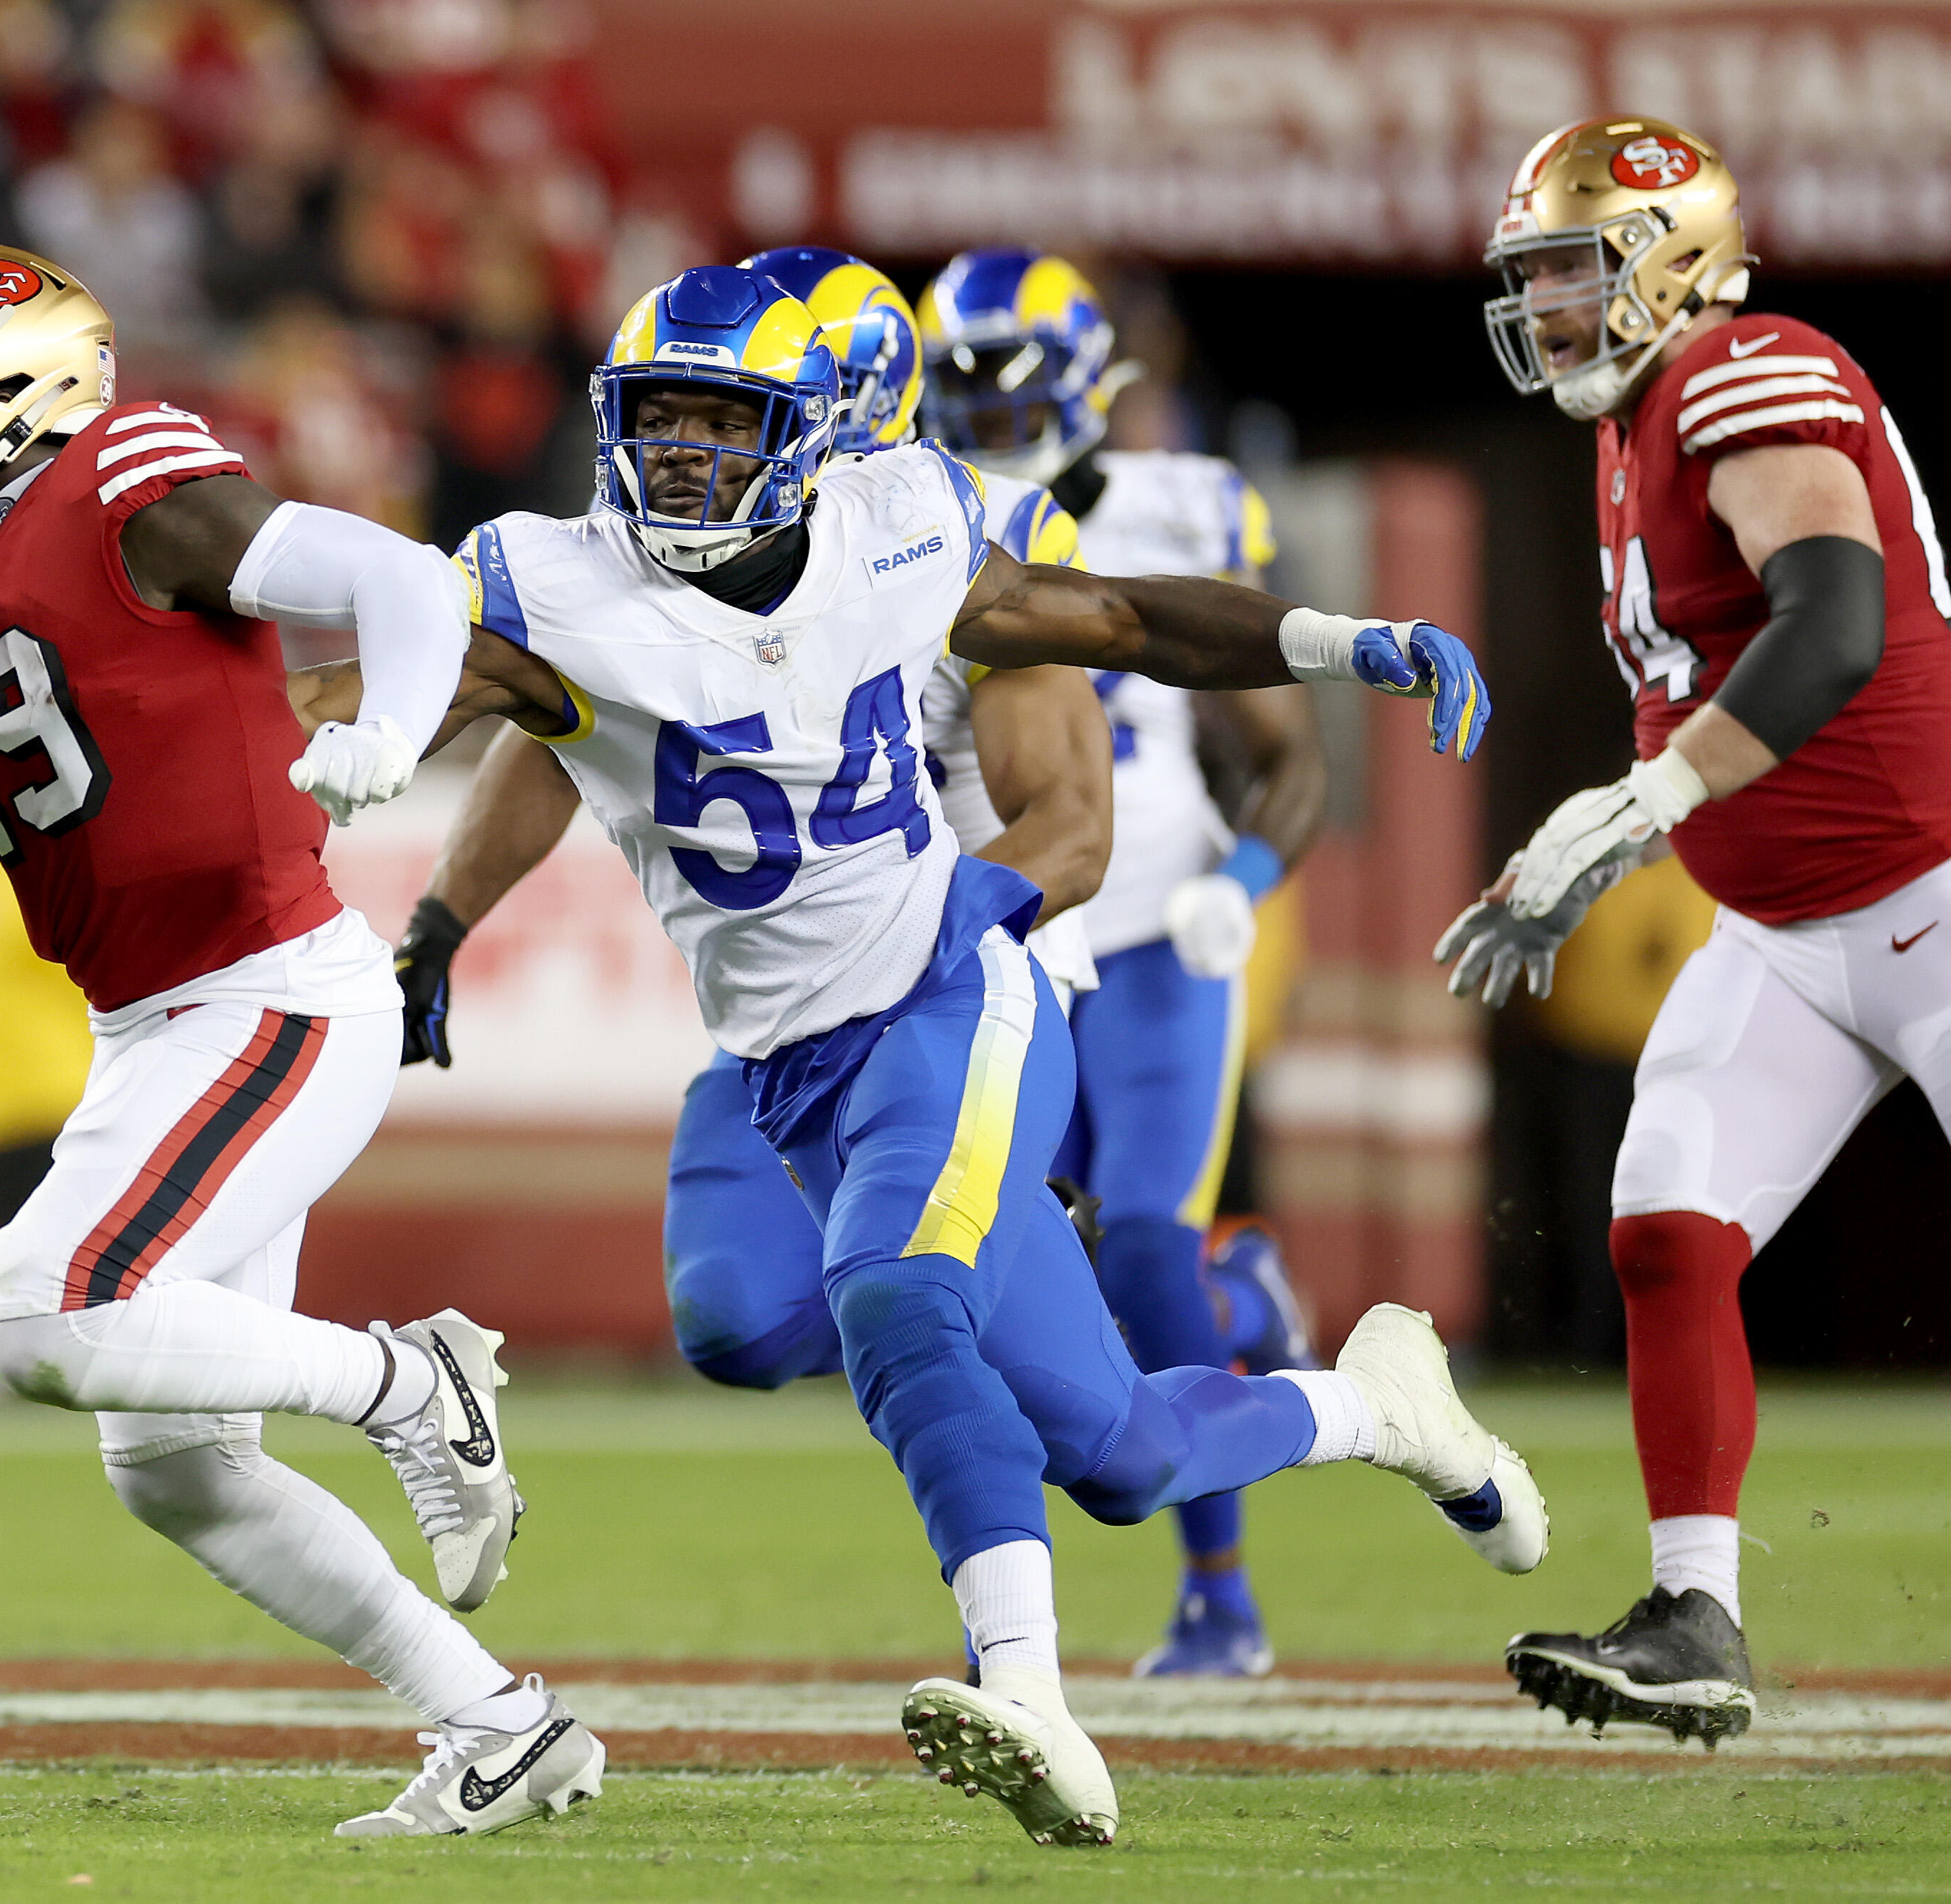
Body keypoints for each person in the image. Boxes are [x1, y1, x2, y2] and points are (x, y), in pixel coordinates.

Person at [299, 263, 1542, 1850]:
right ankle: (1379, 1408)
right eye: (655, 418)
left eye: (719, 420)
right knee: (1101, 1443)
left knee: (892, 1289)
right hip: (777, 1056)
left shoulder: (906, 523)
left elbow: (1125, 621)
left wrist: (1341, 641)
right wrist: (287, 756)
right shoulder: (547, 582)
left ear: (813, 435)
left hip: (959, 987)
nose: (679, 453)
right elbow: (405, 703)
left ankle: (1027, 1692)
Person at [0, 242, 605, 1837]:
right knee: (177, 1468)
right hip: (156, 1028)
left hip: (270, 989)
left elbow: (408, 581)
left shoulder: (121, 476)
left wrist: (387, 733)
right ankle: (497, 1724)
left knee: (36, 1309)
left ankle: (407, 1377)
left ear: (10, 386)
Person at [387, 245, 1117, 1404]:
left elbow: (1070, 825)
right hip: (794, 996)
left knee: (1047, 1394)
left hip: (978, 957)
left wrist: (928, 958)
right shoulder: (693, 552)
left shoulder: (955, 533)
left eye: (740, 415)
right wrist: (439, 918)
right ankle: (935, 1277)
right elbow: (567, 730)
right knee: (732, 1320)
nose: (700, 455)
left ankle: (987, 1259)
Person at [1438, 116, 1951, 1748]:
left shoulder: (1750, 366)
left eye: (1573, 274)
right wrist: (1601, 840)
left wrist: (1645, 804)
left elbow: (1834, 628)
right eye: (1530, 279)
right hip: (1789, 928)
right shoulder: (1628, 429)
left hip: (1936, 882)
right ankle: (1694, 1613)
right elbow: (1701, 683)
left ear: (1670, 258)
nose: (1550, 309)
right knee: (1666, 1222)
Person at [918, 248, 1328, 1679]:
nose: (977, 414)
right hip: (1007, 936)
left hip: (1155, 929)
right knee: (1005, 1277)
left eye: (1005, 384)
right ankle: (1247, 1314)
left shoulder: (1186, 504)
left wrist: (1248, 877)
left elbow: (1289, 756)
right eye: (955, 385)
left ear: (1096, 387)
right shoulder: (899, 519)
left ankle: (1218, 1595)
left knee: (1145, 1243)